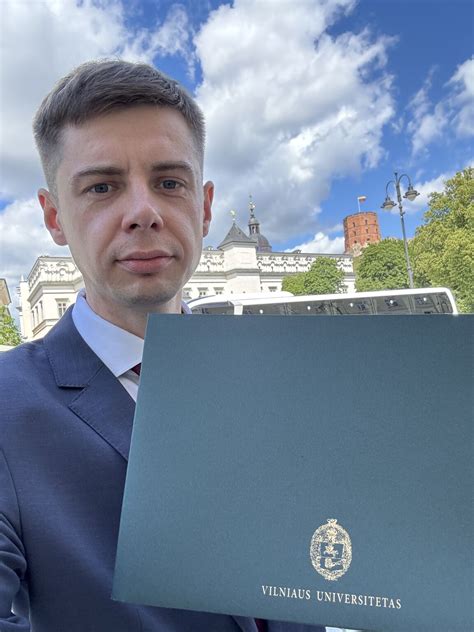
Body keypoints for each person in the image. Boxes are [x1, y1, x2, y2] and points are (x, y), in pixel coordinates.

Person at [0, 60, 326, 632]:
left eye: (169, 182)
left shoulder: (279, 378)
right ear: (54, 217)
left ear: (204, 207)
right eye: (102, 187)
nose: (143, 213)